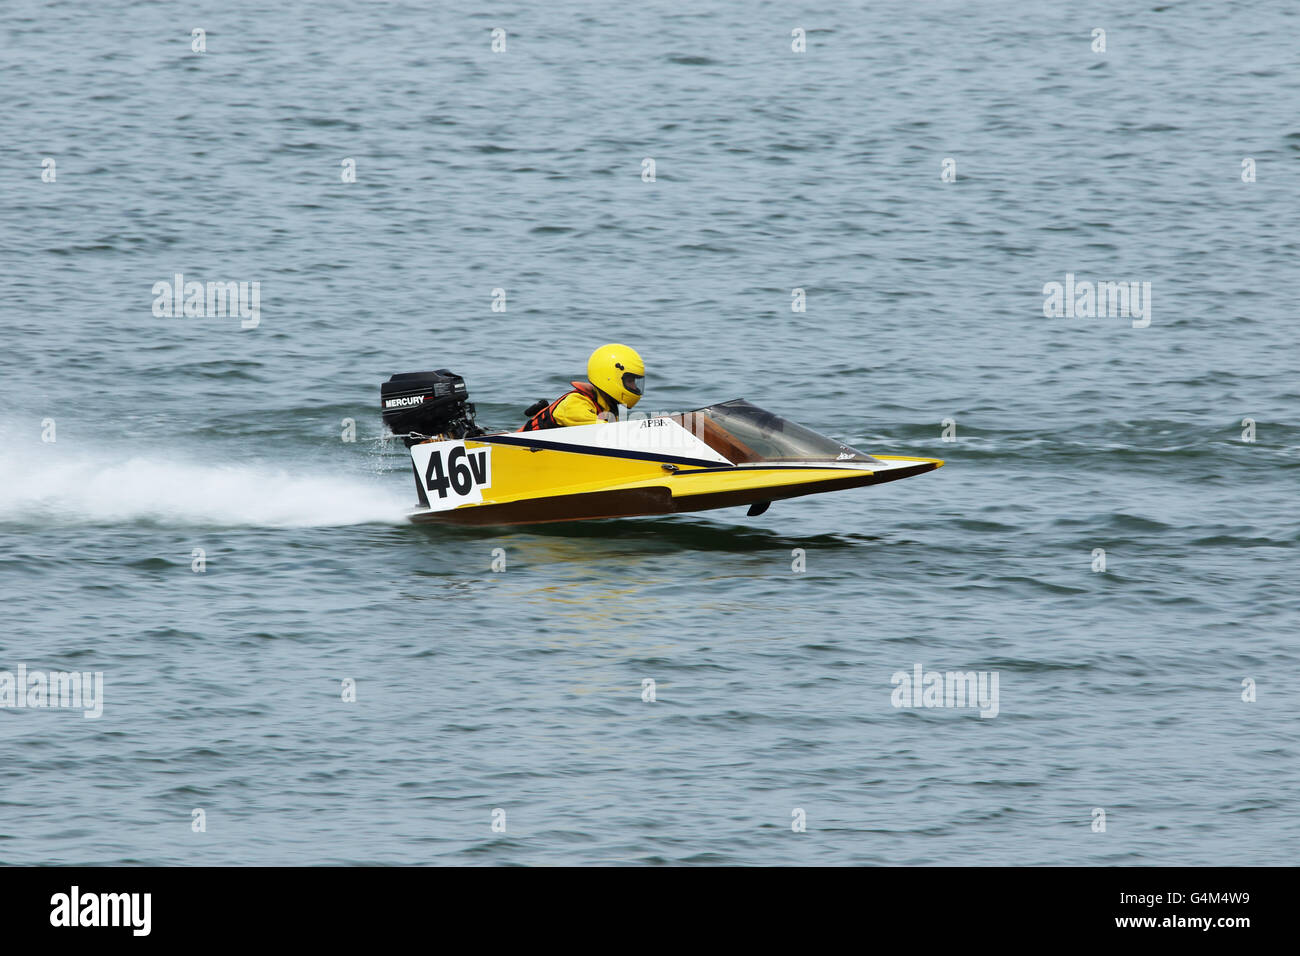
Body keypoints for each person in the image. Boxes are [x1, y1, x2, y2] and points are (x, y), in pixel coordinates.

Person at [521, 344, 645, 431]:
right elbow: (605, 431)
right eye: (630, 381)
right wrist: (647, 427)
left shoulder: (607, 406)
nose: (634, 387)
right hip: (523, 454)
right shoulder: (575, 404)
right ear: (609, 378)